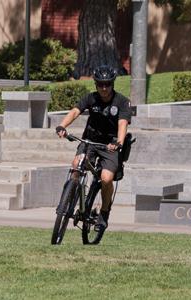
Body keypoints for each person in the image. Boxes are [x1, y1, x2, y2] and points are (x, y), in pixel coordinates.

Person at [55, 65, 132, 230]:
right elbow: (75, 112)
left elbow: (122, 123)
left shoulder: (122, 102)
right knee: (76, 164)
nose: (104, 88)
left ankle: (104, 213)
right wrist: (62, 126)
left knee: (106, 178)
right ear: (96, 84)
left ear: (112, 84)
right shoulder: (91, 98)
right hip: (90, 140)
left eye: (107, 84)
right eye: (100, 84)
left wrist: (118, 142)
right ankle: (67, 199)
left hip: (110, 145)